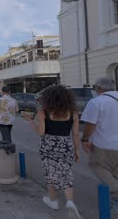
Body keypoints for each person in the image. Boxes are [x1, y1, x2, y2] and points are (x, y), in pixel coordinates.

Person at [24, 85, 81, 218]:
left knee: (50, 172)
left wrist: (31, 122)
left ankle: (53, 200)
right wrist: (77, 151)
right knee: (66, 173)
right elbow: (76, 134)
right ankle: (70, 202)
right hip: (66, 145)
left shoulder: (43, 112)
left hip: (48, 146)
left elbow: (41, 132)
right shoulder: (73, 113)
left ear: (48, 99)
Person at [80, 77, 118, 211]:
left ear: (98, 88)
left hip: (104, 145)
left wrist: (85, 140)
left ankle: (116, 194)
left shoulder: (96, 102)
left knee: (96, 165)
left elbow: (90, 124)